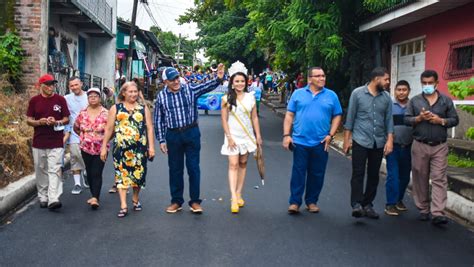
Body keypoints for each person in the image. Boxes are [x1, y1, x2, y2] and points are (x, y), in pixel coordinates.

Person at [154, 65, 225, 214]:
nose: (176, 81)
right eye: (172, 79)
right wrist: (161, 140)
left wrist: (218, 77)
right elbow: (159, 119)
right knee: (175, 169)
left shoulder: (189, 89)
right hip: (173, 135)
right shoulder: (161, 96)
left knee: (193, 168)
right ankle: (176, 201)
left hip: (191, 132)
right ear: (165, 81)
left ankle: (195, 201)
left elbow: (206, 86)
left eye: (177, 78)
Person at [283, 67, 342, 214]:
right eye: (318, 76)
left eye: (323, 76)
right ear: (310, 79)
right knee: (298, 172)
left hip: (321, 142)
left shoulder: (331, 96)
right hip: (299, 141)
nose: (322, 78)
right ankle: (295, 202)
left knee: (317, 173)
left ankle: (311, 201)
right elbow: (289, 115)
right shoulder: (298, 94)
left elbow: (337, 115)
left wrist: (331, 134)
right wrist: (286, 135)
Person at [404, 70, 459, 225]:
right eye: (424, 83)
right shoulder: (415, 101)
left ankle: (438, 213)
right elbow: (407, 119)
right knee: (420, 177)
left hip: (439, 146)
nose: (427, 86)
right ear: (421, 83)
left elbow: (455, 119)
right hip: (420, 144)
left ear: (436, 83)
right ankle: (423, 209)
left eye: (430, 83)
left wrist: (440, 121)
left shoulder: (446, 101)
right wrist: (419, 118)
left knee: (439, 178)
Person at [343, 67, 394, 219]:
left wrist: (389, 140)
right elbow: (350, 118)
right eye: (386, 79)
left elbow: (389, 120)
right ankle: (356, 204)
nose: (388, 82)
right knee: (358, 173)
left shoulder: (386, 98)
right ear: (376, 79)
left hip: (378, 142)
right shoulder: (357, 93)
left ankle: (368, 204)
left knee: (374, 175)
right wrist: (347, 140)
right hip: (360, 140)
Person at [100, 82, 155, 218]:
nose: (133, 94)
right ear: (123, 93)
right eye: (130, 92)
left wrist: (151, 147)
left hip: (139, 149)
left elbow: (149, 128)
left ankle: (135, 199)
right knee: (121, 175)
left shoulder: (143, 108)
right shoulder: (115, 108)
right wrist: (103, 146)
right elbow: (109, 128)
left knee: (138, 176)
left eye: (135, 91)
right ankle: (123, 205)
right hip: (121, 149)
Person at [220, 66, 262, 213]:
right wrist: (229, 137)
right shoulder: (226, 99)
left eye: (242, 81)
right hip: (232, 136)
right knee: (233, 164)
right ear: (232, 83)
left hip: (247, 136)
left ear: (246, 82)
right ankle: (233, 197)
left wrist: (258, 136)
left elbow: (254, 117)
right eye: (237, 81)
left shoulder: (251, 97)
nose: (239, 83)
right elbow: (224, 120)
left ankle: (239, 193)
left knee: (243, 163)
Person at [26, 74, 70, 210]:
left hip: (56, 141)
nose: (51, 87)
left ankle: (53, 198)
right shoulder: (34, 101)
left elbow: (66, 119)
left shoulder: (60, 100)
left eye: (53, 85)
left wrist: (56, 121)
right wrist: (39, 122)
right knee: (41, 169)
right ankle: (43, 196)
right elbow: (29, 120)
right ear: (41, 86)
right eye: (48, 85)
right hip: (39, 141)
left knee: (55, 169)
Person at [74, 88, 109, 209]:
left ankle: (95, 197)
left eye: (95, 96)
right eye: (90, 96)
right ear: (87, 99)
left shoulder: (106, 113)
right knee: (89, 171)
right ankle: (93, 194)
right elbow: (76, 127)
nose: (93, 98)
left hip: (101, 148)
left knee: (97, 172)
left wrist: (105, 140)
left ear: (100, 98)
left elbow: (111, 130)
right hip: (86, 148)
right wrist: (84, 137)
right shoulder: (82, 113)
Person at [384, 80, 413, 216]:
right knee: (393, 176)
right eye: (399, 89)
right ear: (394, 91)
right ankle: (390, 204)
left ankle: (399, 200)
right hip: (392, 147)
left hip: (409, 147)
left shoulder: (413, 106)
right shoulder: (389, 105)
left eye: (404, 90)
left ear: (409, 91)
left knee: (405, 177)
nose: (401, 92)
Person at [64, 76, 89, 195]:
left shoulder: (89, 96)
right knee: (74, 154)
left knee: (86, 155)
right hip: (74, 131)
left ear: (81, 84)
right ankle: (77, 184)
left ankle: (86, 172)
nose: (74, 87)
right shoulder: (67, 98)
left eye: (76, 84)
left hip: (89, 132)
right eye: (72, 85)